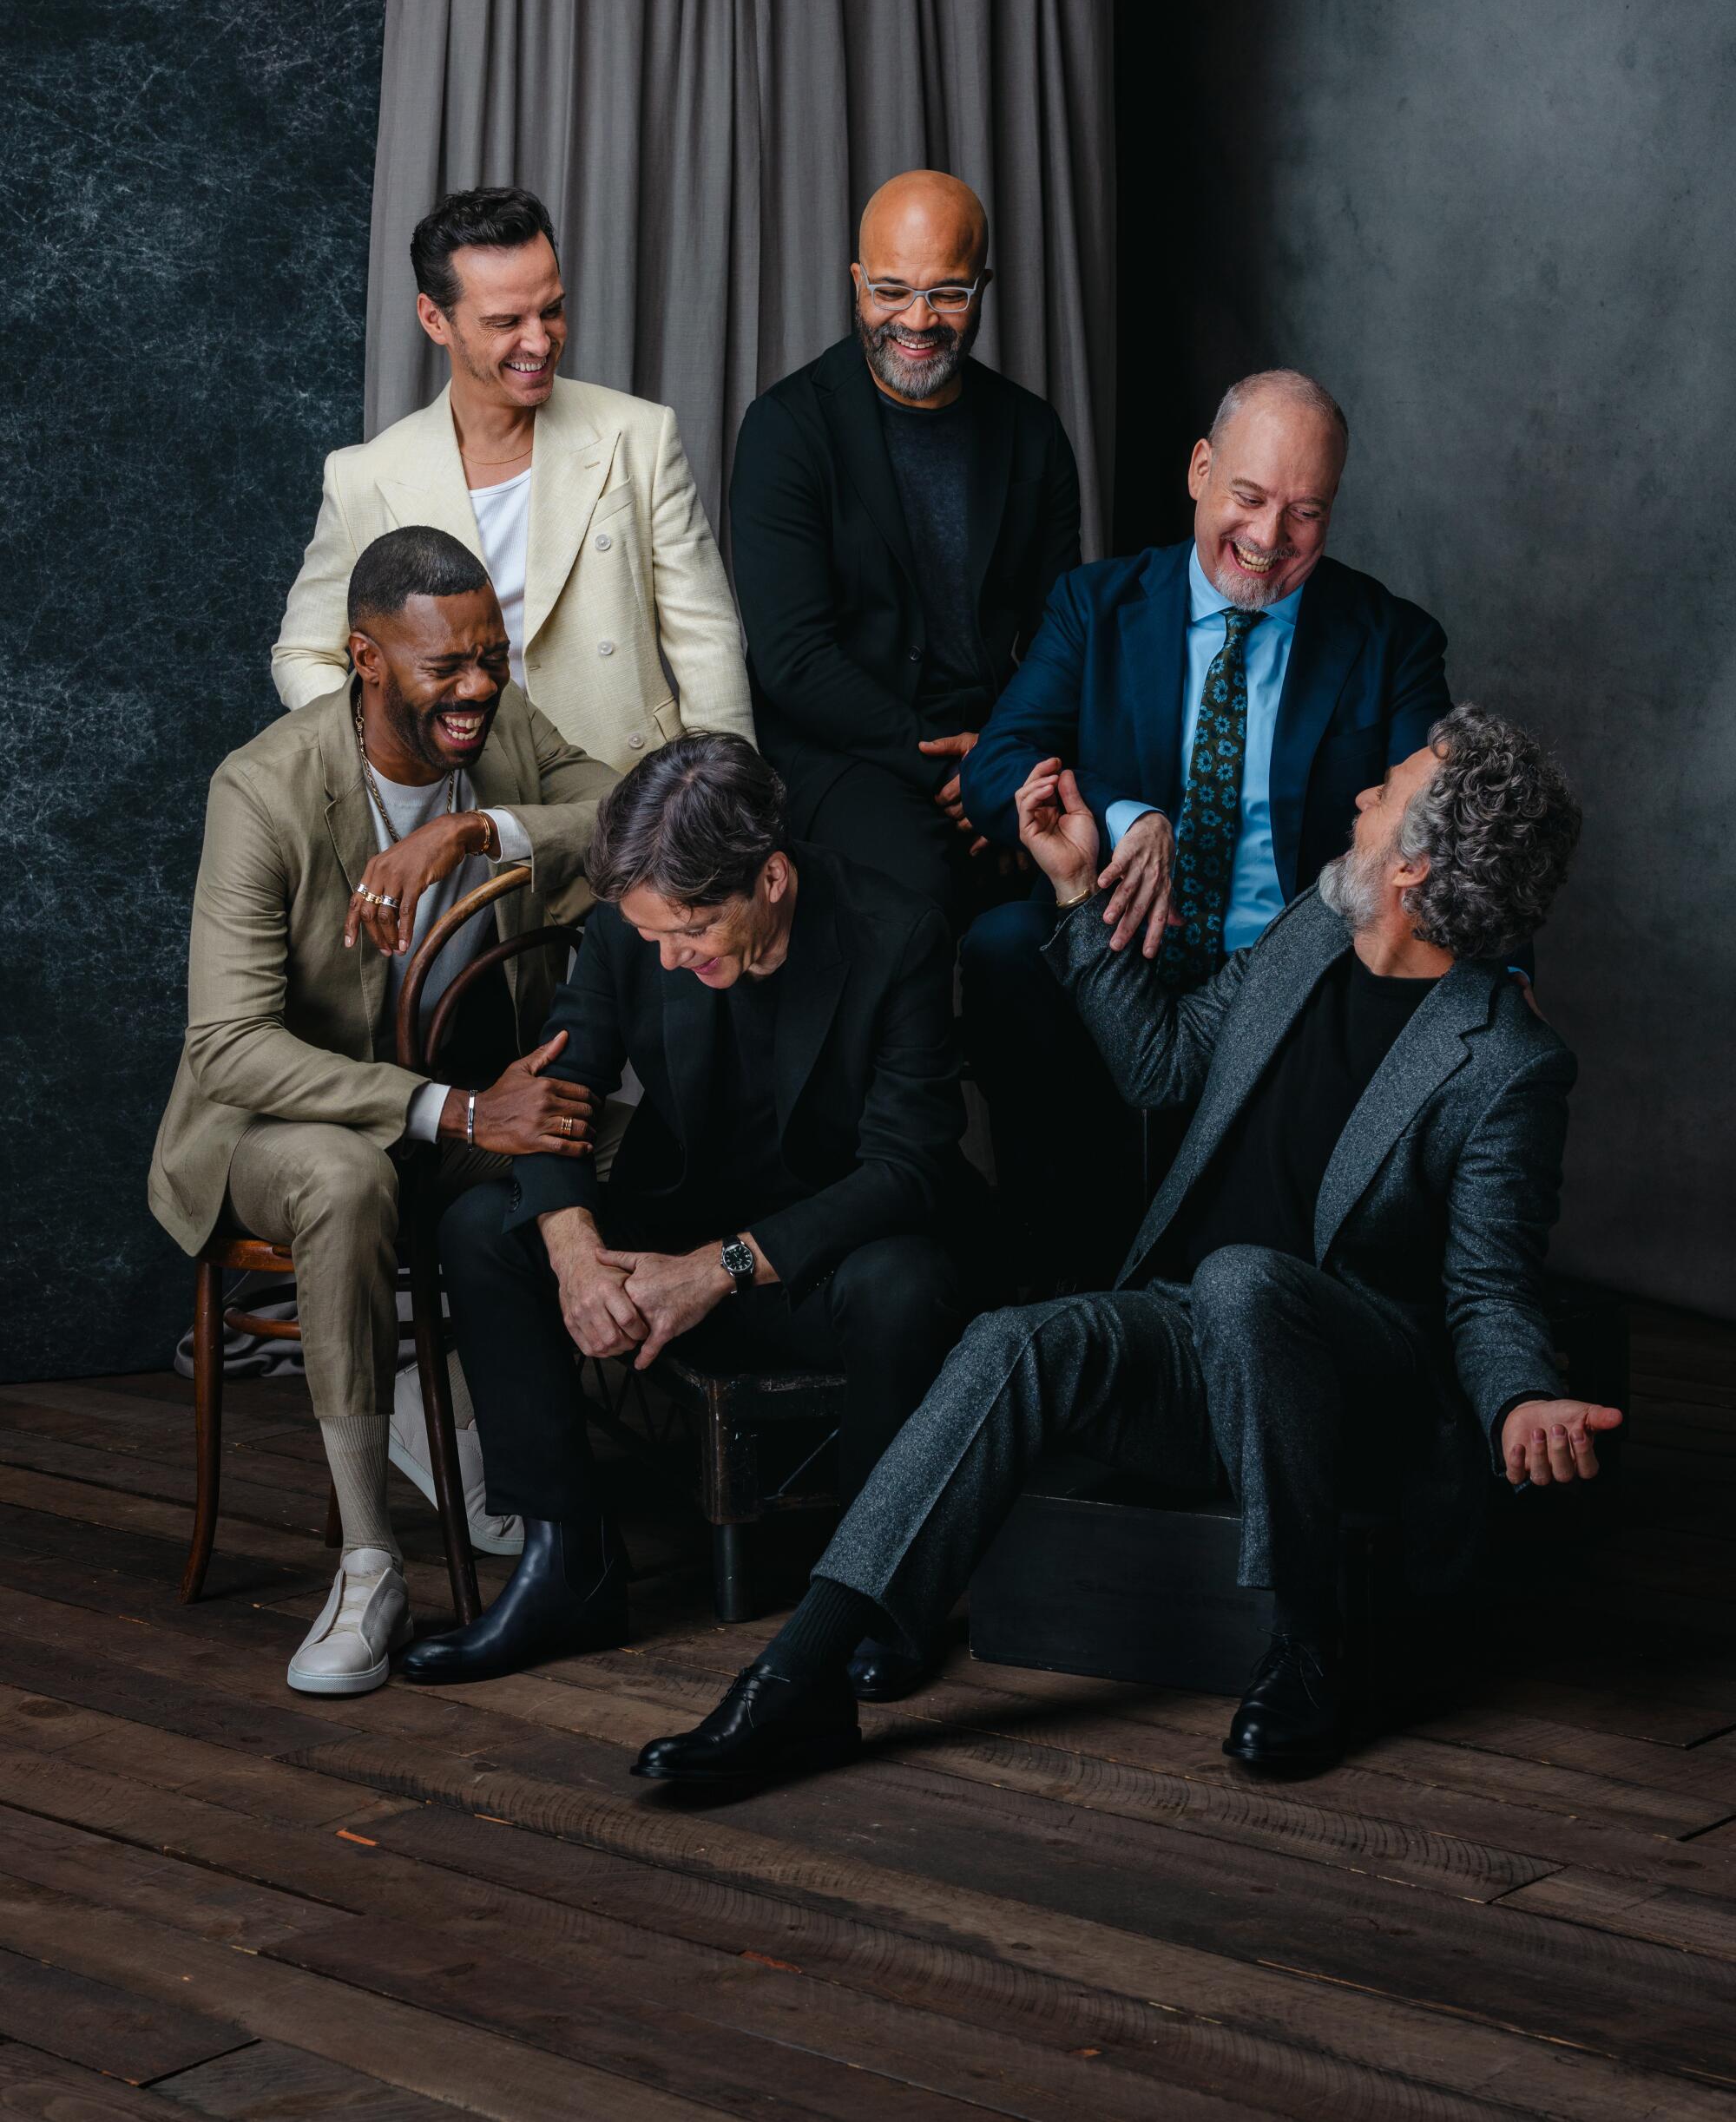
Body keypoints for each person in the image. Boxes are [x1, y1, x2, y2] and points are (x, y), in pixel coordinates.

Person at [632, 703, 1618, 1789]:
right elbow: (1160, 1065)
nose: (1359, 798)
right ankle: (795, 1683)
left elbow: (1485, 1290)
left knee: (1244, 1280)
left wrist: (1519, 1396)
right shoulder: (1308, 932)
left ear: (1415, 868)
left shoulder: (1504, 1060)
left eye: (1383, 794)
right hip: (1190, 1342)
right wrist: (1070, 886)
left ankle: (1306, 1647)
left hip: (1349, 1392)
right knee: (1012, 1342)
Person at [399, 733, 990, 1702]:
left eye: (691, 933)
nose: (668, 958)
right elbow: (558, 1096)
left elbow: (906, 1169)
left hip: (828, 1250)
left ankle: (874, 1589)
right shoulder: (627, 926)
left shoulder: (898, 933)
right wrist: (577, 1253)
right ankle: (567, 1565)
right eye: (651, 938)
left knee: (907, 1280)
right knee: (480, 1228)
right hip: (686, 1217)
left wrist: (719, 1267)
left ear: (768, 877)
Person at [150, 529, 616, 1698]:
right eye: (443, 664)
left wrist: (477, 828)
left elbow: (628, 817)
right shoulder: (262, 791)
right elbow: (230, 1044)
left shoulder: (501, 732)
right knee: (347, 1181)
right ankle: (369, 1561)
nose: (475, 687)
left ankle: (485, 1440)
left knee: (581, 1135)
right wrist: (453, 1108)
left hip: (451, 1107)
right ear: (364, 657)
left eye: (491, 656)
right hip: (274, 1125)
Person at [958, 370, 1452, 1281]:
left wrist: (1504, 977)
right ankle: (1048, 1257)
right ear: (1198, 470)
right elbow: (994, 769)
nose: (1267, 540)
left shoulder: (1389, 640)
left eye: (1304, 513)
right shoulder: (1096, 605)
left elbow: (1438, 827)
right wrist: (1123, 813)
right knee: (999, 947)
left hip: (1284, 965)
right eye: (1249, 497)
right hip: (1113, 935)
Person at [270, 185, 754, 772]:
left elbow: (707, 640)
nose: (540, 341)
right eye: (505, 321)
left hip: (626, 792)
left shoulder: (639, 436)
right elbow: (303, 651)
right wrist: (385, 747)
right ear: (435, 318)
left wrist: (725, 801)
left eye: (551, 309)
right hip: (453, 794)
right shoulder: (364, 477)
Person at [728, 169, 1081, 929]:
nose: (917, 320)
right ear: (856, 285)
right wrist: (951, 765)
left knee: (1082, 885)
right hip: (843, 749)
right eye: (891, 291)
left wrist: (1006, 760)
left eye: (947, 293)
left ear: (982, 286)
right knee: (919, 887)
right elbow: (792, 659)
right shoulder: (785, 431)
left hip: (996, 740)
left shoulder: (1032, 434)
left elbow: (1064, 635)